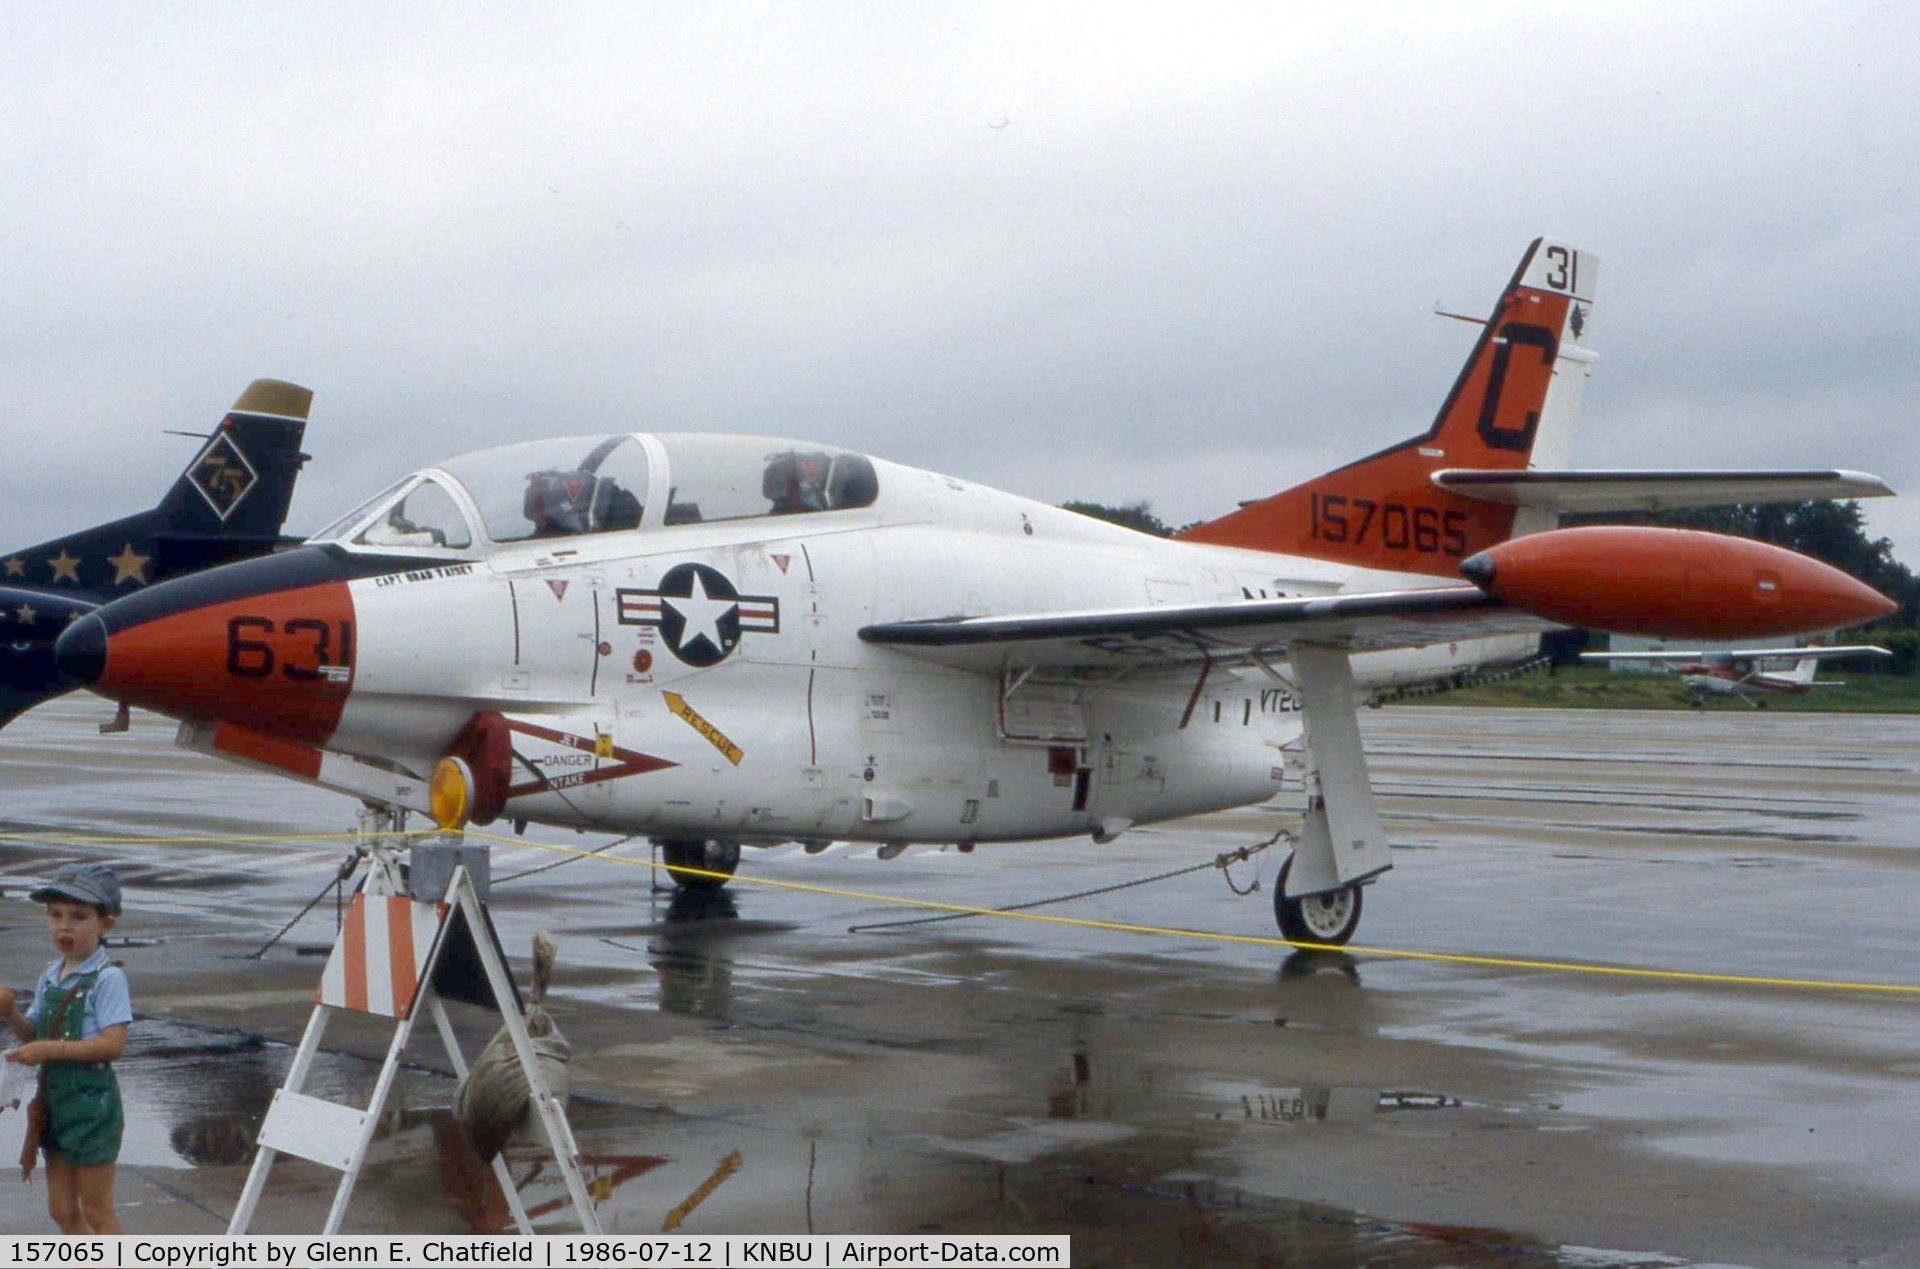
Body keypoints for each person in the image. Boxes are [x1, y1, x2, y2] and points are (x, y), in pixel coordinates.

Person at [1, 863, 131, 1234]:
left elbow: (112, 1044)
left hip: (92, 1106)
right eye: (55, 915)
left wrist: (48, 1049)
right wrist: (9, 1012)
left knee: (97, 1210)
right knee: (61, 1209)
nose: (64, 926)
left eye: (78, 916)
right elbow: (32, 1035)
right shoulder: (50, 974)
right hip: (56, 1104)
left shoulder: (108, 978)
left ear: (105, 924)